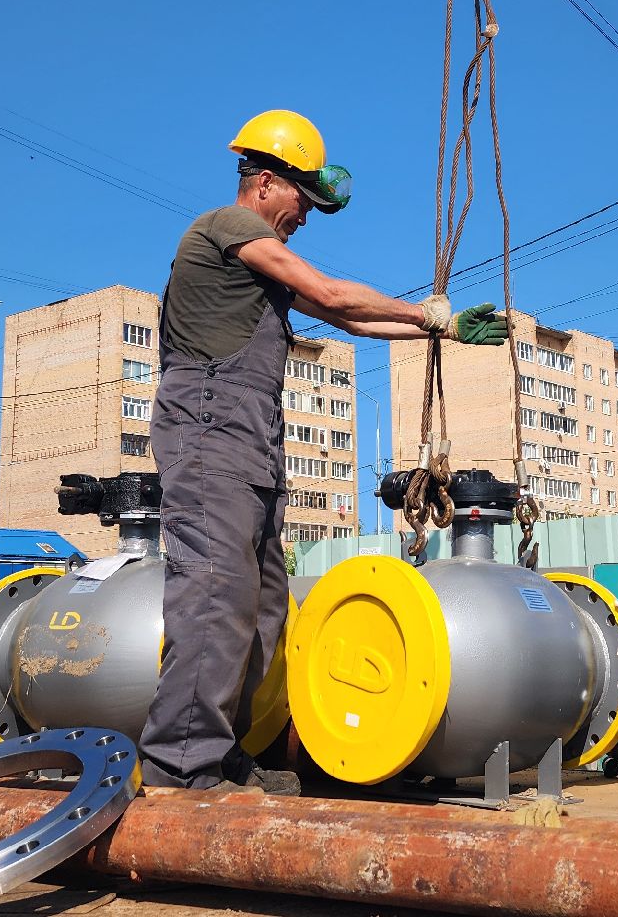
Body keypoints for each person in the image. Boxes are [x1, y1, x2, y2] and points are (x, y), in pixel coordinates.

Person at [143, 109, 508, 793]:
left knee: (262, 610)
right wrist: (422, 311)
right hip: (209, 431)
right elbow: (332, 291)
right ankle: (178, 769)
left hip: (248, 444)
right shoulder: (228, 228)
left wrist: (447, 326)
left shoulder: (260, 263)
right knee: (215, 598)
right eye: (302, 201)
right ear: (266, 182)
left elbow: (345, 317)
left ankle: (221, 757)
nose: (304, 216)